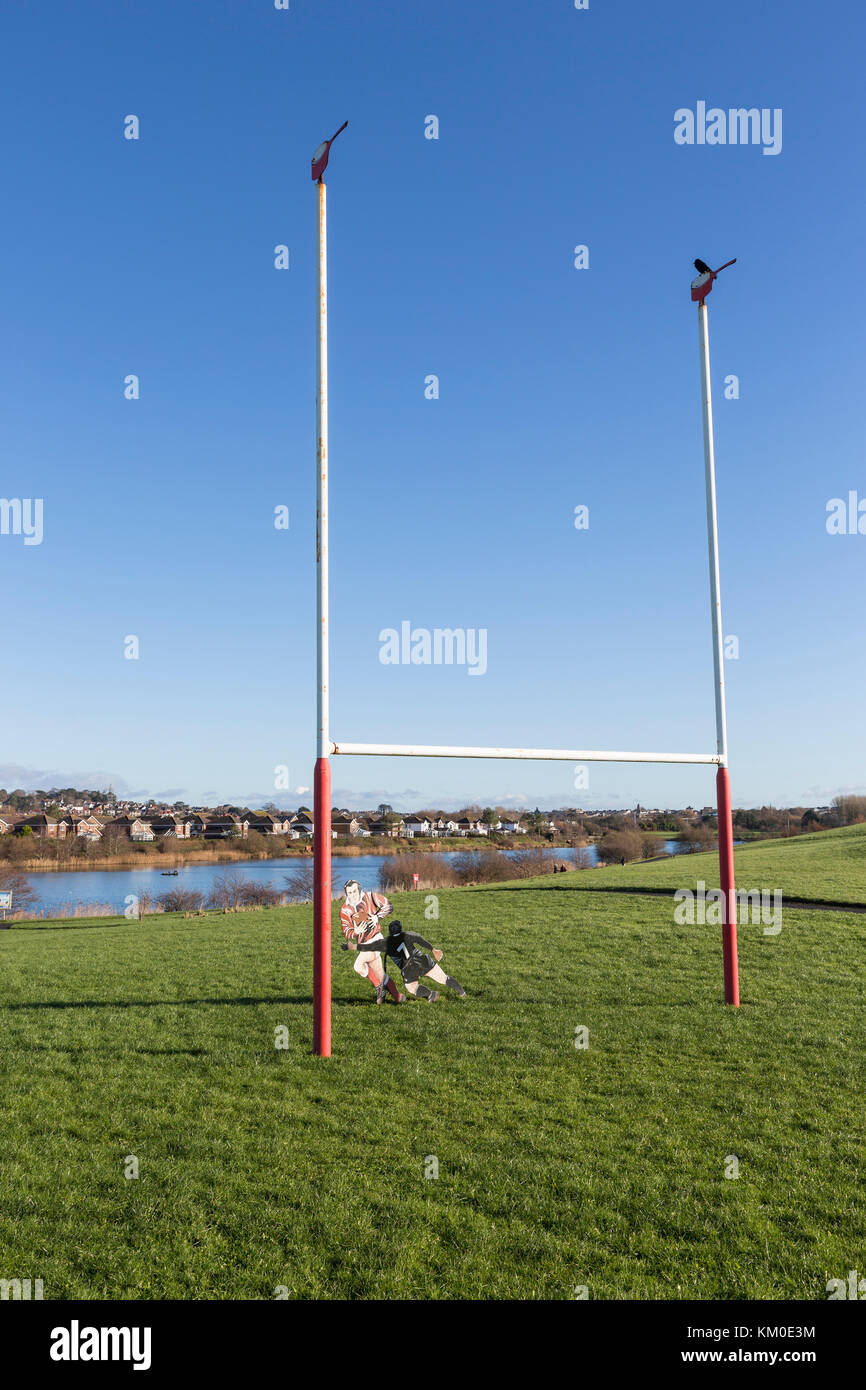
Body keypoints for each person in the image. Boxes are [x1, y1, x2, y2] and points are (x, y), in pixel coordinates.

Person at [339, 880, 404, 1004]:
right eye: (349, 892)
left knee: (358, 966)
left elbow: (388, 906)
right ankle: (398, 997)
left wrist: (377, 917)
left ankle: (379, 988)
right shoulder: (344, 909)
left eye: (354, 891)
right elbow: (347, 931)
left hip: (376, 939)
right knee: (381, 975)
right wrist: (356, 931)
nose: (351, 895)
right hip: (363, 944)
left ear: (359, 890)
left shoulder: (370, 897)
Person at [378, 920, 466, 1001]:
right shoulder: (408, 935)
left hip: (408, 969)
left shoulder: (386, 943)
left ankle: (431, 994)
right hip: (422, 961)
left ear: (390, 931)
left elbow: (371, 947)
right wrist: (433, 949)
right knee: (444, 978)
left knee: (412, 987)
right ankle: (462, 993)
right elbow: (420, 940)